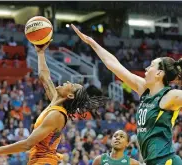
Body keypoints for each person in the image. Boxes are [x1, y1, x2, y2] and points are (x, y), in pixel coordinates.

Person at [0, 42, 107, 165]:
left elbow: (27, 144)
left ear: (70, 95)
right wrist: (40, 53)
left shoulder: (57, 115)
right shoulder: (56, 101)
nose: (67, 82)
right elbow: (44, 77)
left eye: (71, 85)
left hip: (44, 162)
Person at [71, 24, 182, 165]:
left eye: (151, 66)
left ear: (159, 73)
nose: (146, 68)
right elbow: (114, 65)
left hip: (167, 161)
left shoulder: (171, 96)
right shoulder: (144, 90)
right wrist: (92, 42)